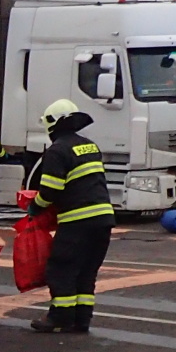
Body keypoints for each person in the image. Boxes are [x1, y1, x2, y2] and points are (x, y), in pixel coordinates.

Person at [27, 99, 116, 333]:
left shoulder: (57, 150)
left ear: (52, 125)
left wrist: (35, 206)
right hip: (103, 220)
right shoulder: (90, 146)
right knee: (87, 272)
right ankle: (81, 320)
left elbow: (49, 191)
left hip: (78, 221)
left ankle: (60, 317)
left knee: (61, 268)